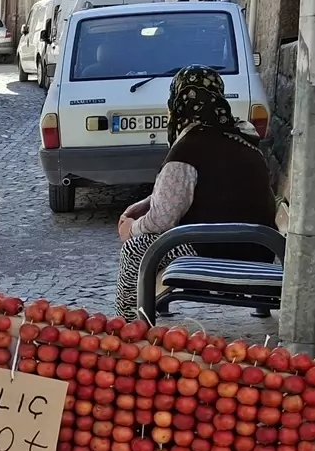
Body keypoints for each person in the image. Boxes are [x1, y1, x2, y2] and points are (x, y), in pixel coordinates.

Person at [114, 65, 277, 320]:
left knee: (137, 247)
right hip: (259, 245)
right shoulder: (242, 138)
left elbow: (162, 220)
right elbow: (201, 188)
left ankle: (127, 325)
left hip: (217, 247)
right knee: (149, 240)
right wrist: (145, 204)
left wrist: (131, 229)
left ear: (177, 103)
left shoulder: (190, 147)